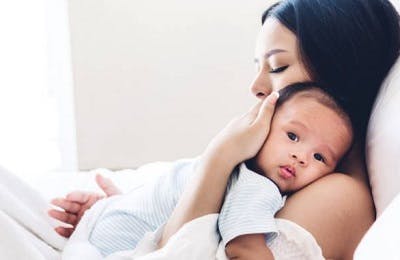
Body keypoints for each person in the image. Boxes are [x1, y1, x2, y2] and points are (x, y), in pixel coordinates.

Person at [50, 0, 400, 258]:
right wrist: (126, 213)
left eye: (277, 66)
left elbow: (181, 252)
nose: (257, 87)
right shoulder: (287, 170)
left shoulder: (338, 196)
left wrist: (220, 156)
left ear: (339, 74)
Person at [71, 83, 353, 258]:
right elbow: (243, 247)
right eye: (292, 136)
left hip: (109, 225)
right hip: (117, 246)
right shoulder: (257, 185)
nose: (301, 157)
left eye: (319, 157)